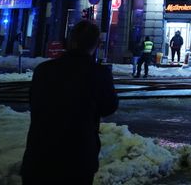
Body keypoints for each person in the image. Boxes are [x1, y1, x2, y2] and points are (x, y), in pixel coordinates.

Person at [21, 21, 118, 184]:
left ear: (70, 41)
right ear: (96, 44)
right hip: (78, 156)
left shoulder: (43, 70)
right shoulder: (99, 73)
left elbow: (33, 101)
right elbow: (109, 107)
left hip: (39, 154)